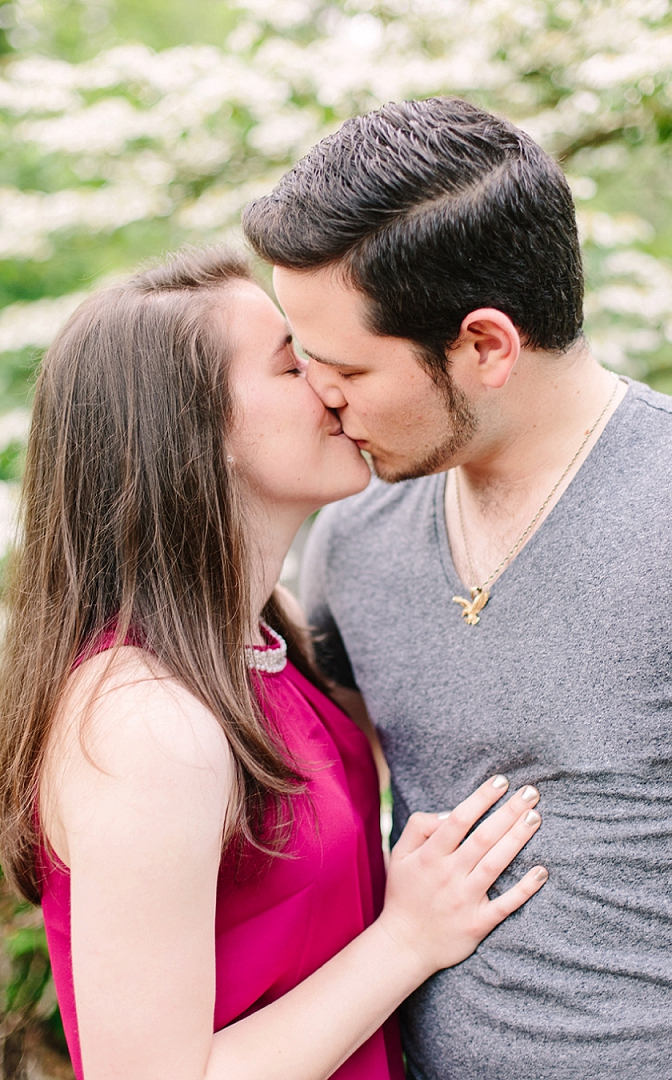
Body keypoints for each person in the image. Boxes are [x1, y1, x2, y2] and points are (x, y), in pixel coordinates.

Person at [0, 248, 546, 1080]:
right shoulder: (146, 721)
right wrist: (407, 939)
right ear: (194, 432)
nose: (331, 384)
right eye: (293, 364)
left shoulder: (265, 654)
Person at [242, 97, 672, 1080]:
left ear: (485, 347)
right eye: (302, 359)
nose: (319, 396)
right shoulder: (348, 538)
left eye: (345, 366)